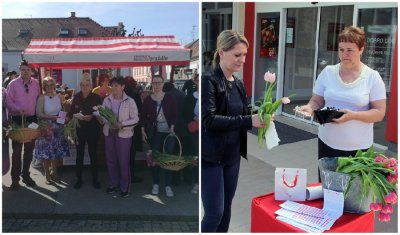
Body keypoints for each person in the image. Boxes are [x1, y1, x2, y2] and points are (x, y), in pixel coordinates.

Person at [297, 26, 386, 181]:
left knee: (354, 198)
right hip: (327, 145)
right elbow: (317, 100)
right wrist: (310, 108)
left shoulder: (372, 77)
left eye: (350, 50)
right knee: (327, 192)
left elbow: (379, 113)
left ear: (361, 50)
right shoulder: (328, 72)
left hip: (359, 150)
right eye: (341, 49)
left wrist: (354, 116)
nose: (344, 54)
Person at [201, 30, 265, 232]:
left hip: (232, 156)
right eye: (238, 55)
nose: (243, 60)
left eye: (244, 55)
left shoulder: (237, 83)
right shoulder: (209, 80)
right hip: (211, 158)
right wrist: (248, 120)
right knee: (214, 212)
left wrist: (262, 113)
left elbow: (242, 112)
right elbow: (208, 120)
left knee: (227, 207)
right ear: (222, 52)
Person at [99, 76, 139, 198]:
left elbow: (136, 119)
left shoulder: (130, 101)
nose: (114, 88)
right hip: (109, 133)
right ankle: (113, 184)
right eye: (113, 85)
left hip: (124, 134)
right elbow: (103, 115)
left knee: (123, 161)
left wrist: (122, 124)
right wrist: (101, 118)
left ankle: (124, 187)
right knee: (111, 160)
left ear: (123, 87)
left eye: (117, 85)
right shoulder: (107, 100)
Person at [6, 60, 41, 190]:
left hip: (32, 119)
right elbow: (8, 101)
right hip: (17, 119)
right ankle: (15, 179)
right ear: (20, 70)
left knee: (29, 150)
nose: (26, 72)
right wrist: (17, 108)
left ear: (31, 71)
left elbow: (38, 99)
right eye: (23, 70)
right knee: (16, 152)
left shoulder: (36, 84)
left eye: (28, 70)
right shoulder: (13, 84)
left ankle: (26, 175)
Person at [141, 75, 178, 197]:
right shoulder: (148, 100)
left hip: (169, 132)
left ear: (163, 84)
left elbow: (175, 114)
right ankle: (156, 183)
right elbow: (143, 117)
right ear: (152, 84)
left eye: (159, 83)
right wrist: (143, 131)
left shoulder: (169, 98)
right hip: (155, 132)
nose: (156, 86)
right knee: (155, 158)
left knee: (168, 159)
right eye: (154, 83)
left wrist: (172, 127)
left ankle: (168, 185)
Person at [67, 76, 102, 189]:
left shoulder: (96, 97)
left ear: (91, 86)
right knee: (79, 155)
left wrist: (92, 116)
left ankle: (95, 179)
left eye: (87, 85)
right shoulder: (76, 97)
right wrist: (77, 116)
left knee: (93, 154)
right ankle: (79, 179)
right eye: (83, 85)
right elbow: (72, 112)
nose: (85, 87)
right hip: (80, 130)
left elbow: (101, 113)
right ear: (80, 86)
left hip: (93, 129)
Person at [34, 77, 70, 184]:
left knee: (55, 152)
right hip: (46, 128)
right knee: (46, 153)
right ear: (44, 87)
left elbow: (62, 111)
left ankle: (54, 173)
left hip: (58, 127)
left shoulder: (59, 97)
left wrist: (65, 118)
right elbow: (39, 113)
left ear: (55, 86)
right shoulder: (41, 98)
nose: (49, 87)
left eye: (51, 85)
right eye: (47, 85)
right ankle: (47, 176)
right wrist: (52, 118)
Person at [163, 81, 187, 186]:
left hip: (171, 127)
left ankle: (171, 179)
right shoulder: (182, 94)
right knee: (180, 153)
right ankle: (181, 178)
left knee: (170, 154)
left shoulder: (168, 96)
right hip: (182, 127)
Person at [124, 76, 144, 183]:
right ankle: (131, 175)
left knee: (123, 154)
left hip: (122, 126)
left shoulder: (121, 94)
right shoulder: (135, 94)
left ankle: (124, 175)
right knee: (131, 154)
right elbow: (140, 110)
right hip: (133, 127)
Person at [183, 72, 199, 194]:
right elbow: (185, 114)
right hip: (194, 130)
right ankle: (196, 182)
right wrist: (193, 118)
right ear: (195, 82)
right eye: (198, 80)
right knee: (195, 156)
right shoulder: (190, 96)